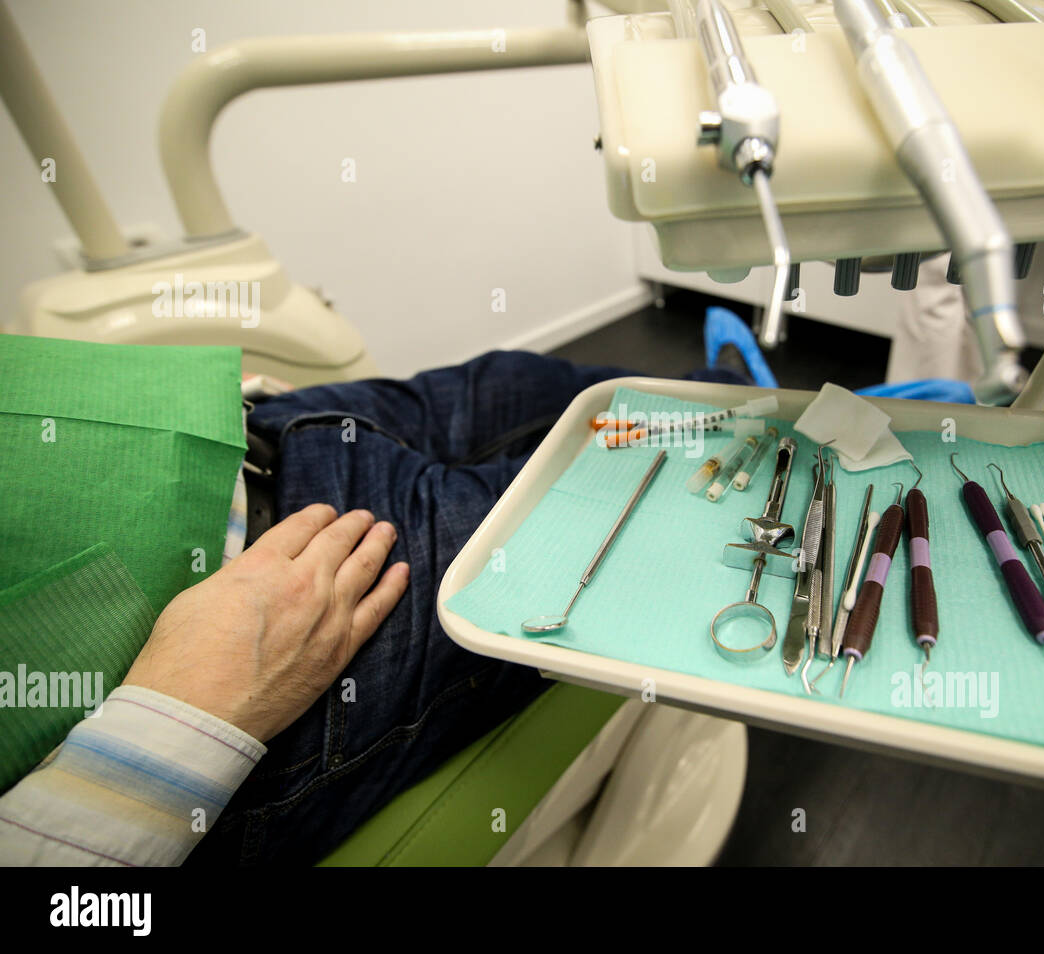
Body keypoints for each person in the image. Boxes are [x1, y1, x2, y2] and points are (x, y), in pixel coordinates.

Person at [0, 333, 755, 866]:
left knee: (518, 383)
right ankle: (765, 415)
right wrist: (192, 709)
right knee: (636, 486)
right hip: (241, 643)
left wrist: (225, 407)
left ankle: (730, 390)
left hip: (242, 433)